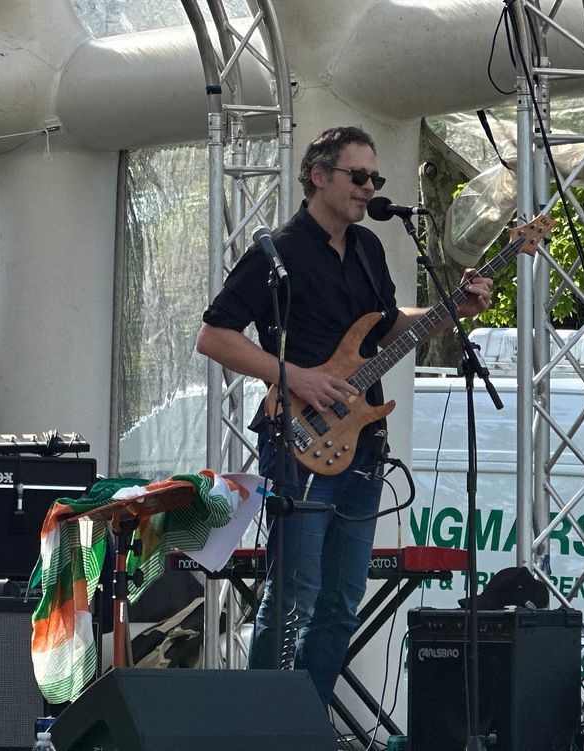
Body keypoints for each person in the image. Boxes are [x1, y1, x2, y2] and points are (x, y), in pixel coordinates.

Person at [195, 125, 494, 703]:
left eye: (374, 179)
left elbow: (384, 327)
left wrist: (451, 307)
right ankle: (259, 728)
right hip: (297, 440)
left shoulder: (368, 248)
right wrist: (294, 375)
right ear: (318, 175)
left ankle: (304, 720)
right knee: (295, 595)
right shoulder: (275, 252)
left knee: (339, 602)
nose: (368, 188)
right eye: (358, 177)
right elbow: (214, 336)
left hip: (361, 445)